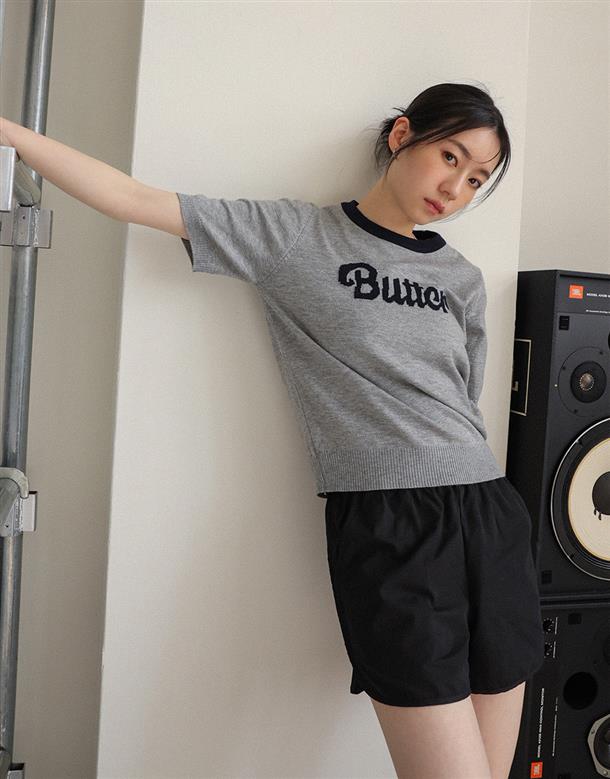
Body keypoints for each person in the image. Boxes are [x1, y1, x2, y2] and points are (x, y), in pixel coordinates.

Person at [0, 81, 544, 779]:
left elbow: (462, 398)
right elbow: (133, 197)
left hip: (490, 515)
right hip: (390, 524)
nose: (455, 188)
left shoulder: (460, 277)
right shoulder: (296, 237)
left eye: (476, 179)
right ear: (403, 135)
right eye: (450, 156)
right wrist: (11, 134)